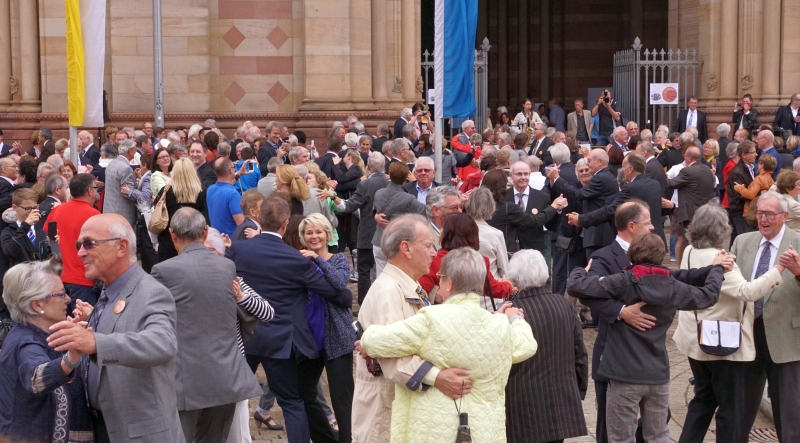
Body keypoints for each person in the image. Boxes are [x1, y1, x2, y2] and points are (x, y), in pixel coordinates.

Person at [358, 246, 537, 442]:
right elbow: (527, 345)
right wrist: (514, 320)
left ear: (449, 283)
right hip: (485, 431)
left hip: (434, 429)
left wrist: (366, 339)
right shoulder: (499, 325)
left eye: (440, 277)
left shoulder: (431, 318)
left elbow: (378, 341)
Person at [568, 233, 726, 443]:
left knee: (621, 438)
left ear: (632, 254)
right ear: (661, 255)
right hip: (657, 374)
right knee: (659, 436)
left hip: (623, 373)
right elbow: (709, 295)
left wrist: (582, 270)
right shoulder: (672, 286)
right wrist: (717, 269)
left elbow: (575, 286)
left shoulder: (624, 282)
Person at [47, 213, 184, 442]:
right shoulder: (108, 292)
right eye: (78, 245)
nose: (80, 252)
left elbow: (163, 343)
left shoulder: (152, 292)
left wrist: (94, 342)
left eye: (89, 243)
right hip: (103, 427)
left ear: (121, 247)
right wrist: (88, 328)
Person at [226, 195, 352, 443]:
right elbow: (337, 293)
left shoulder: (238, 249)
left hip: (245, 338)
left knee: (230, 400)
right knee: (292, 403)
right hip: (281, 341)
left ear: (259, 219)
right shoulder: (296, 259)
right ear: (285, 225)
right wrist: (347, 296)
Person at [673, 201, 789, 443]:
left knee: (703, 398)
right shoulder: (720, 260)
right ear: (721, 231)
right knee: (731, 408)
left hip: (695, 339)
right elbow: (748, 291)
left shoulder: (690, 251)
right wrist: (778, 268)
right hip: (722, 344)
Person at [151, 208, 262, 442]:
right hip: (225, 376)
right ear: (205, 233)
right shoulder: (226, 267)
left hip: (187, 380)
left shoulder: (163, 271)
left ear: (172, 235)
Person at [732, 191, 800, 442]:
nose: (763, 219)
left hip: (786, 335)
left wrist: (798, 271)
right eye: (760, 213)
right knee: (740, 404)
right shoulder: (743, 241)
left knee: (789, 410)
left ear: (784, 216)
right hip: (748, 333)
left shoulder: (798, 241)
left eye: (769, 214)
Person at [0, 260, 92, 442]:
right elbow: (37, 378)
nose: (68, 299)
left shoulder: (45, 334)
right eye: (61, 293)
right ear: (37, 305)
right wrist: (71, 357)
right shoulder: (25, 342)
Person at [503, 249, 588, 442]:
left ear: (513, 280)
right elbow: (579, 352)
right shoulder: (563, 304)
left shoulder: (509, 311)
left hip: (522, 407)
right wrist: (578, 390)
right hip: (560, 402)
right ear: (544, 276)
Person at [297, 213, 357, 443]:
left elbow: (340, 282)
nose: (314, 237)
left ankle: (347, 439)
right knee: (303, 393)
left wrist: (318, 259)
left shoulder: (339, 260)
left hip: (337, 337)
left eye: (318, 232)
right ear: (303, 237)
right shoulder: (300, 261)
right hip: (309, 338)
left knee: (342, 398)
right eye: (309, 233)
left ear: (328, 234)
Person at [329, 152, 389, 304]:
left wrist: (333, 197)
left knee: (364, 271)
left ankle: (365, 305)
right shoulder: (391, 183)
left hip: (367, 235)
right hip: (389, 235)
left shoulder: (365, 184)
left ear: (368, 167)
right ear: (383, 166)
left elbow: (348, 206)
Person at [419, 212, 515, 307]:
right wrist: (507, 285)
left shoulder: (436, 259)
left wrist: (434, 294)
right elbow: (494, 289)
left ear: (447, 234)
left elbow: (420, 289)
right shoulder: (479, 261)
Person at [546, 148, 619, 258]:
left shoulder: (600, 177)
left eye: (590, 161)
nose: (588, 165)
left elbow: (578, 195)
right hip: (597, 233)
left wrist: (557, 178)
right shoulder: (607, 175)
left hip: (598, 235)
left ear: (600, 162)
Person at [44, 174, 101, 306]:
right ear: (89, 191)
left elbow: (46, 236)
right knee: (83, 323)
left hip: (58, 278)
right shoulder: (93, 215)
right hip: (83, 280)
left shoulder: (57, 210)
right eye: (95, 188)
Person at [484, 169, 566, 255]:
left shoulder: (482, 204)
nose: (523, 177)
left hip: (528, 250)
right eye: (519, 174)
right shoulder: (507, 204)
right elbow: (535, 221)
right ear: (511, 176)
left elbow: (551, 225)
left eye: (526, 174)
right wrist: (554, 207)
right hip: (506, 251)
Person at [371, 162, 426, 276]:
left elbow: (375, 210)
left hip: (378, 241)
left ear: (389, 175)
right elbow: (426, 211)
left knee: (381, 276)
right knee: (397, 276)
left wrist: (375, 216)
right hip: (396, 243)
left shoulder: (379, 193)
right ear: (406, 177)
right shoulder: (408, 198)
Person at [156, 158, 207, 262]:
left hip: (168, 240)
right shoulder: (200, 193)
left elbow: (155, 208)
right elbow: (205, 218)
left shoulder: (165, 192)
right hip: (193, 243)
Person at [1, 188, 51, 266]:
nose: (32, 212)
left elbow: (47, 261)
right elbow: (11, 252)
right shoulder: (8, 232)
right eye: (27, 208)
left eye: (35, 208)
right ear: (14, 207)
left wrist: (51, 247)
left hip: (38, 276)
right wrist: (26, 225)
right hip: (17, 276)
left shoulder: (42, 233)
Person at [102, 140, 137, 228]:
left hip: (109, 211)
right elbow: (128, 193)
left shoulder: (112, 163)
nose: (135, 152)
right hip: (122, 216)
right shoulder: (126, 168)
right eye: (135, 150)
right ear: (130, 151)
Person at [207, 157, 245, 236]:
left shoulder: (210, 189)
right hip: (230, 241)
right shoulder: (233, 194)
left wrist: (239, 174)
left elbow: (225, 185)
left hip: (216, 239)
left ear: (215, 172)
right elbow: (241, 224)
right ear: (230, 171)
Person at [727, 141, 757, 237]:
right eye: (753, 152)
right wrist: (759, 193)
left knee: (737, 239)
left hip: (749, 210)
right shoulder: (737, 172)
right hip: (740, 212)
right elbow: (740, 195)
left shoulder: (753, 168)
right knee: (743, 239)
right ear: (744, 155)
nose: (756, 154)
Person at [733, 153, 776, 218]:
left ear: (762, 165)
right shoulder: (771, 180)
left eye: (759, 163)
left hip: (752, 212)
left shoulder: (759, 179)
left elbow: (750, 194)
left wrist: (739, 188)